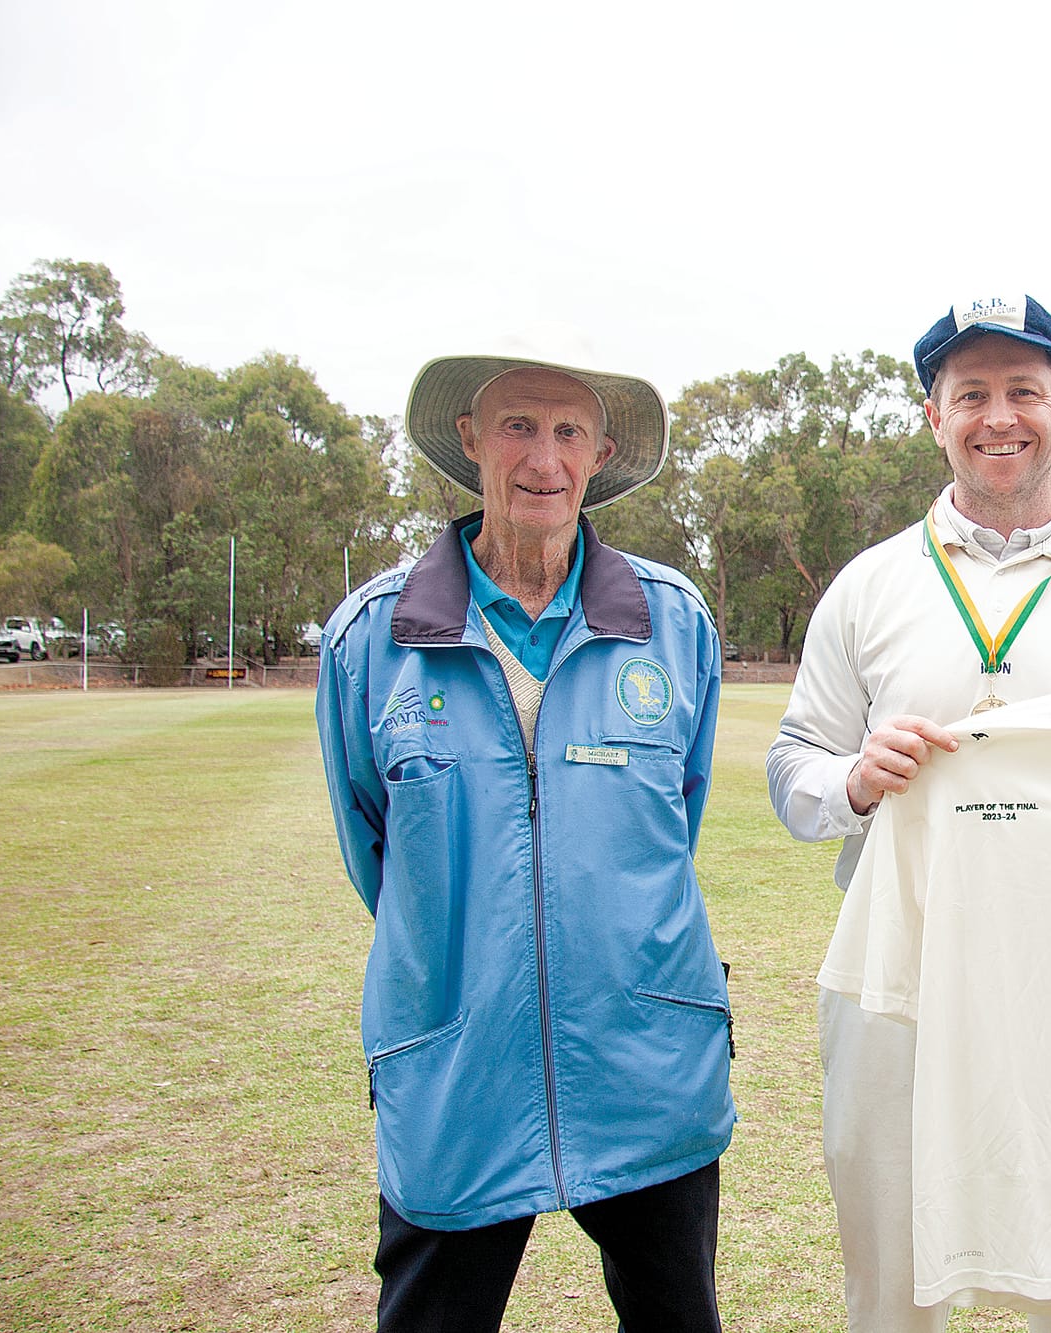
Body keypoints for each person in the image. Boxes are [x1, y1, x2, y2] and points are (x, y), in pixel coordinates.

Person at [766, 294, 1051, 1333]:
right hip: (902, 965)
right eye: (968, 392)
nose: (997, 417)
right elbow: (791, 763)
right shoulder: (867, 587)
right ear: (931, 414)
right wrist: (850, 778)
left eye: (1023, 391)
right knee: (890, 1262)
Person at [316, 355, 732, 1332]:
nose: (541, 458)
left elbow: (676, 818)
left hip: (644, 1061)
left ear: (600, 452)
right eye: (515, 427)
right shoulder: (370, 637)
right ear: (468, 438)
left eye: (565, 432)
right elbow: (372, 847)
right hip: (457, 1063)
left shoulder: (673, 623)